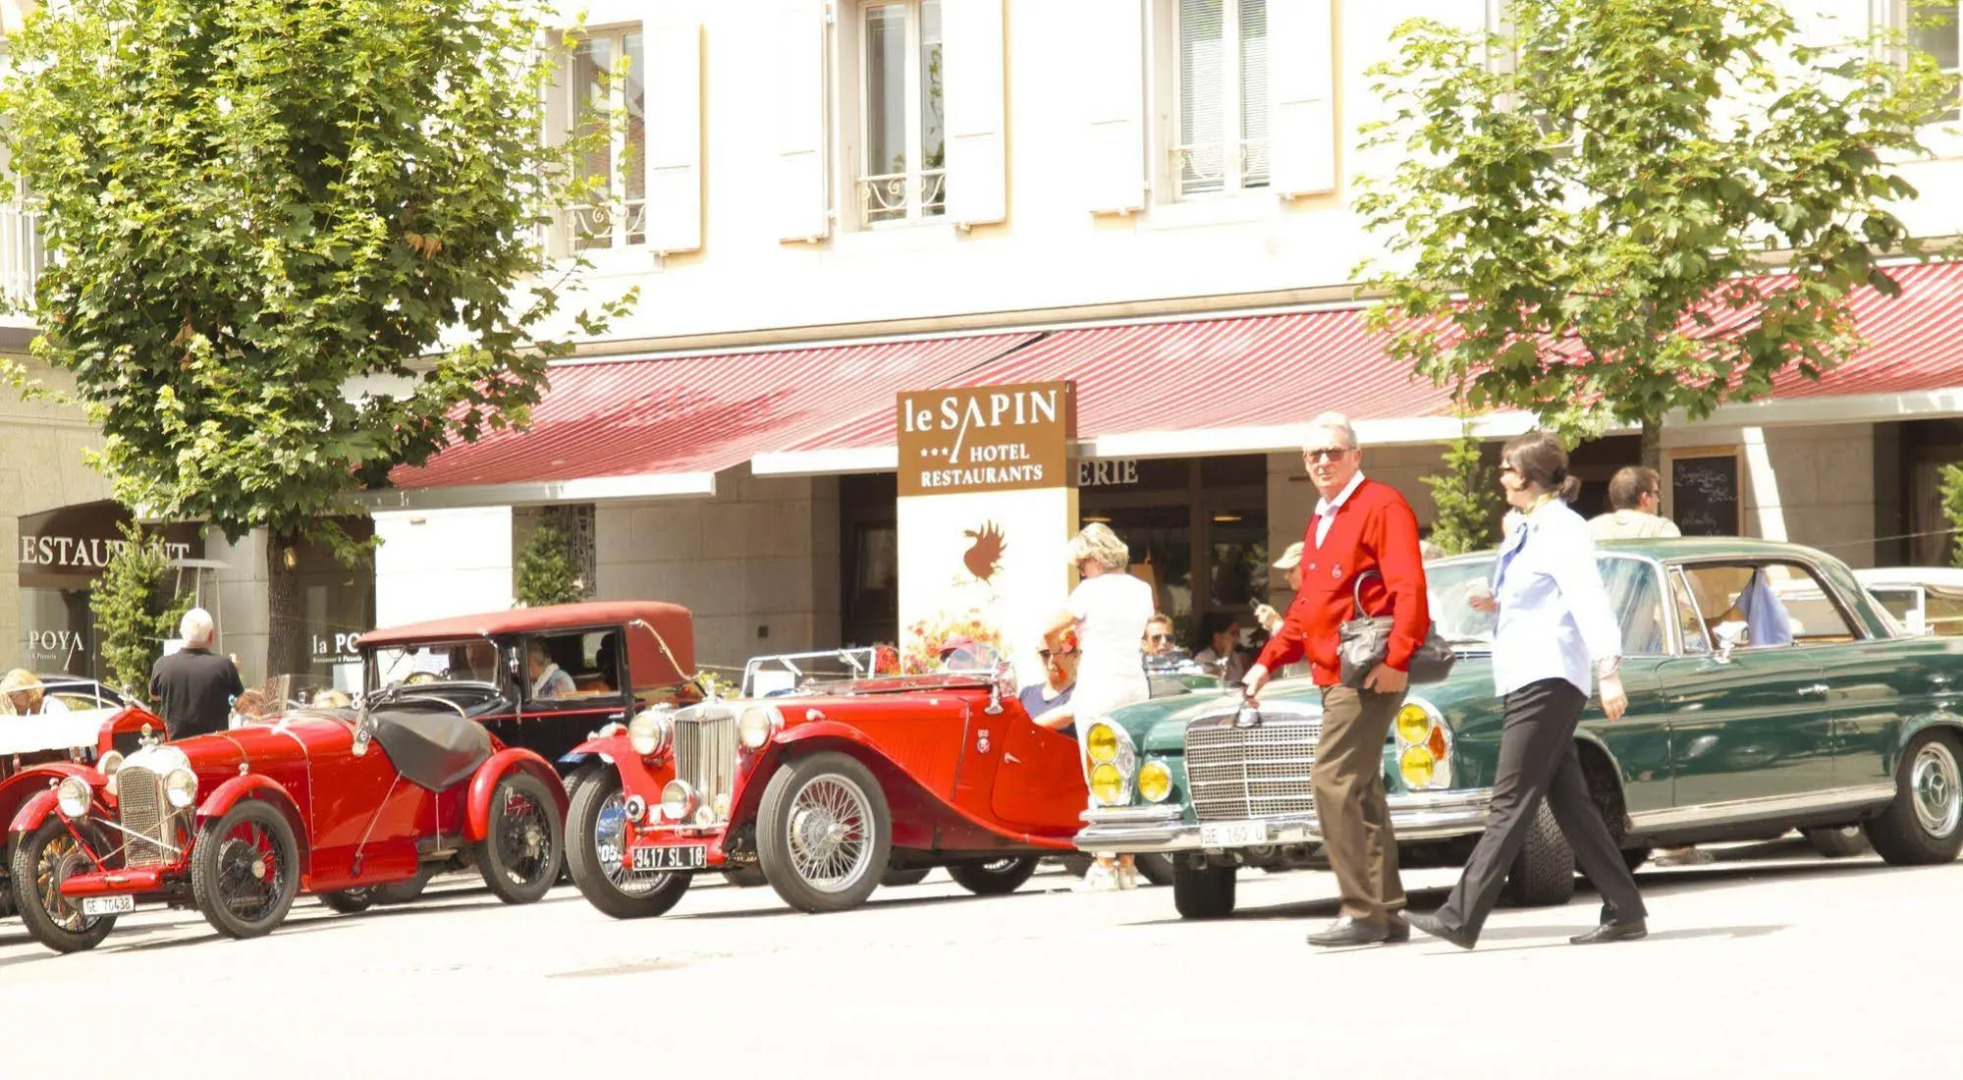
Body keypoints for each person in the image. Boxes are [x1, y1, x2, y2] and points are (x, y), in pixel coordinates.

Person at [1407, 431, 1649, 950]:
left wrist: (1608, 671)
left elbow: (1587, 598)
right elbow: (1545, 598)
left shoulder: (1561, 528)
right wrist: (1497, 605)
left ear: (1529, 476)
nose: (1500, 477)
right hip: (1527, 673)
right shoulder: (1531, 527)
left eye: (1506, 469)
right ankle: (1625, 908)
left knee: (1510, 801)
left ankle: (1460, 915)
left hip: (1548, 676)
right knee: (1570, 804)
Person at [1243, 413, 1429, 948]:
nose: (1323, 461)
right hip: (1336, 669)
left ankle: (1361, 911)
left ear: (1356, 455)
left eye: (1333, 452)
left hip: (1366, 670)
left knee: (1332, 780)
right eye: (1313, 455)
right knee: (1362, 789)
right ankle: (1385, 913)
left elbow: (1409, 587)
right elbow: (1308, 605)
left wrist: (1397, 658)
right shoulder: (1323, 516)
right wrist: (1266, 661)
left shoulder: (1381, 504)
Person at [1041, 523, 1154, 891]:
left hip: (1099, 682)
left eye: (1081, 564)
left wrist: (1059, 653)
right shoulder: (1142, 589)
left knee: (1100, 769)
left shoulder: (1089, 590)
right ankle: (1129, 864)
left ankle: (1104, 863)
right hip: (1135, 683)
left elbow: (1050, 628)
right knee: (1131, 769)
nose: (1081, 570)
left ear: (1094, 560)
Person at [149, 607, 245, 740]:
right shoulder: (225, 666)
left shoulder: (162, 665)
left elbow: (154, 695)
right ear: (211, 635)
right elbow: (238, 701)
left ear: (182, 633)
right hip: (215, 748)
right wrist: (234, 669)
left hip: (177, 750)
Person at [1590, 466, 1682, 541]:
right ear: (1644, 498)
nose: (1658, 500)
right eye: (1656, 493)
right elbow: (1672, 563)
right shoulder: (1661, 528)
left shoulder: (1591, 527)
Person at [1017, 630, 1079, 735]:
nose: (1052, 661)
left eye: (1061, 653)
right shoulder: (1026, 694)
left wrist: (1029, 729)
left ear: (1074, 655)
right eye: (1045, 654)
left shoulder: (1081, 694)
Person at [1253, 543, 1305, 634]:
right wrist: (1275, 620)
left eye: (1292, 570)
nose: (1286, 577)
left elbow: (1296, 639)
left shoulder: (1317, 599)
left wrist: (1275, 624)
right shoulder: (1301, 601)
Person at [1192, 613, 1246, 685]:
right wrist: (1226, 655)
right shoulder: (1203, 657)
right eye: (1232, 634)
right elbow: (1213, 680)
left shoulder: (1235, 657)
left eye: (1238, 634)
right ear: (1217, 637)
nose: (1236, 638)